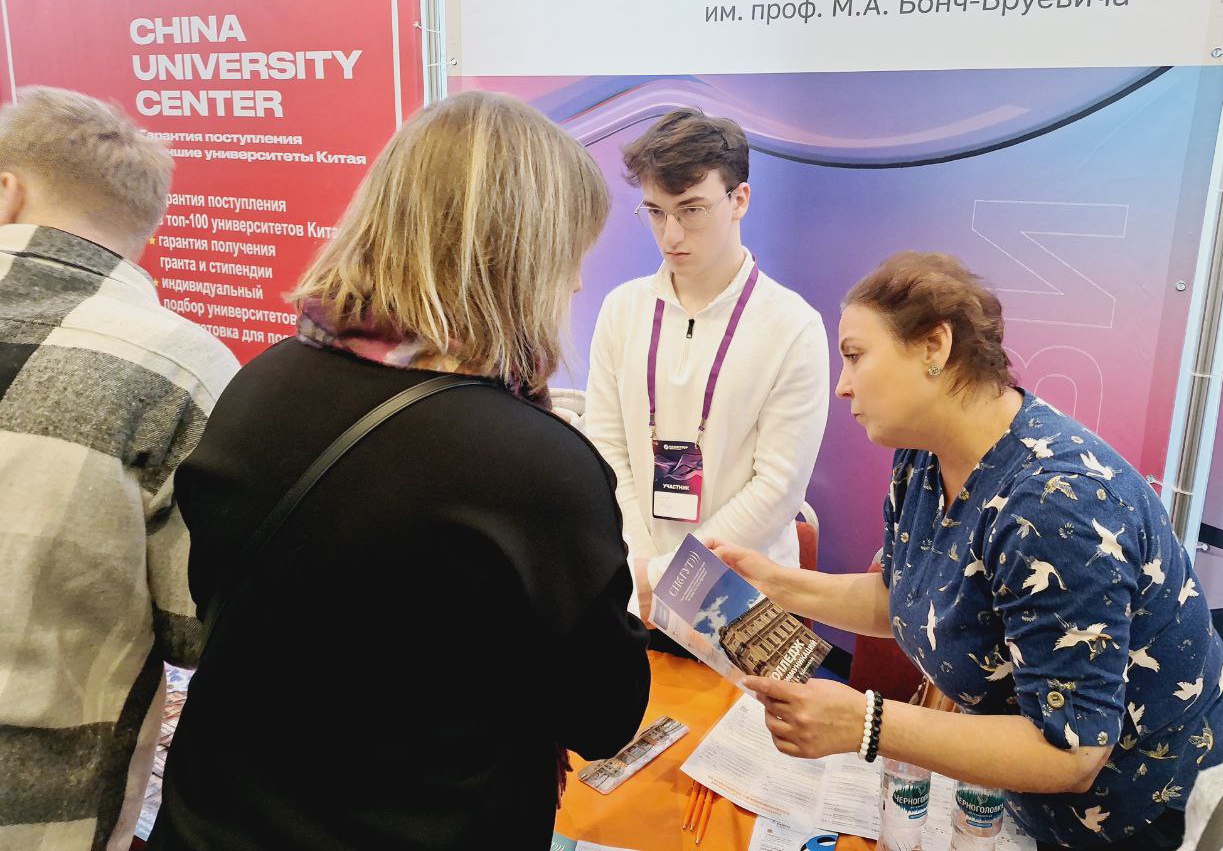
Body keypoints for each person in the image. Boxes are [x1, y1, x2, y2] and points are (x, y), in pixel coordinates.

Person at [147, 91, 651, 851]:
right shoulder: (529, 467)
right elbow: (604, 714)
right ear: (519, 257)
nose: (577, 283)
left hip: (216, 818)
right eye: (570, 253)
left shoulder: (262, 383)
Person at [711, 251, 1223, 850]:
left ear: (934, 346)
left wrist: (867, 723)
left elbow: (1070, 751)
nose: (842, 384)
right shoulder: (923, 458)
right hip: (1058, 822)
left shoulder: (1056, 505)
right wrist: (773, 583)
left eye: (855, 355)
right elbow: (907, 599)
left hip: (1179, 823)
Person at [0, 87, 239, 850]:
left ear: (7, 192)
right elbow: (196, 628)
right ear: (145, 222)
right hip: (44, 806)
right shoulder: (182, 367)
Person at [585, 108, 829, 625]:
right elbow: (605, 448)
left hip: (739, 599)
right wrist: (643, 567)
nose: (670, 234)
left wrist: (671, 578)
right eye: (656, 212)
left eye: (691, 210)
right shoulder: (621, 309)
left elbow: (777, 488)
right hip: (635, 585)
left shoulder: (793, 326)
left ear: (739, 199)